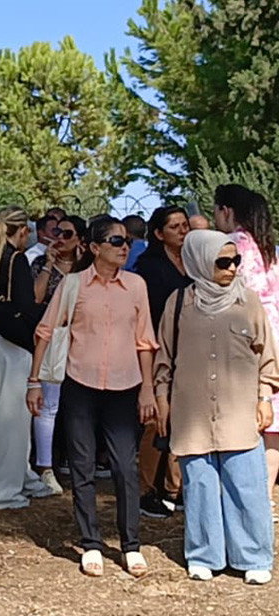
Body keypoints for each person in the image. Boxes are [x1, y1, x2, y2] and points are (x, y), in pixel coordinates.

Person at [29, 216, 158, 578]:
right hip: (80, 385)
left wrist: (147, 387)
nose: (124, 247)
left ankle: (131, 544)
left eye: (127, 241)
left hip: (125, 385)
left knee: (124, 467)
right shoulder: (72, 285)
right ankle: (90, 543)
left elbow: (145, 340)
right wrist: (34, 381)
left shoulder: (136, 286)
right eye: (116, 241)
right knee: (82, 467)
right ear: (95, 247)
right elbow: (45, 331)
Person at [154, 229, 276, 584]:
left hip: (239, 409)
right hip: (192, 412)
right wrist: (161, 399)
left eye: (235, 260)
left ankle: (252, 555)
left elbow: (267, 355)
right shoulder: (178, 304)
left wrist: (265, 397)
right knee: (200, 484)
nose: (232, 268)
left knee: (246, 483)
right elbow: (164, 358)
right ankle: (205, 553)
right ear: (200, 263)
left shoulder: (248, 301)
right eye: (223, 262)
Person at [0, 206, 53, 510]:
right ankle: (3, 491)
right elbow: (25, 304)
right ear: (22, 232)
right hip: (11, 341)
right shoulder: (16, 259)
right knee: (12, 418)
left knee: (6, 413)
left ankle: (23, 477)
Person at [215, 185, 279, 518]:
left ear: (226, 210)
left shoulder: (232, 248)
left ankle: (242, 499)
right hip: (275, 339)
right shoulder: (270, 250)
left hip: (244, 339)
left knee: (243, 420)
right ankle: (265, 498)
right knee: (273, 426)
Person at [133, 206, 193, 519]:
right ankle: (145, 490)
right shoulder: (149, 266)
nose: (183, 231)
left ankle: (174, 487)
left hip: (191, 348)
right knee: (156, 419)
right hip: (157, 348)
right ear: (159, 234)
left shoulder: (196, 263)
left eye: (185, 225)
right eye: (175, 226)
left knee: (184, 417)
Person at [27, 214, 86, 495]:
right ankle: (45, 466)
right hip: (53, 340)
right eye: (57, 233)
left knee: (79, 406)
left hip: (84, 342)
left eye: (67, 234)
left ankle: (75, 462)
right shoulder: (40, 264)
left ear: (80, 240)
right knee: (48, 405)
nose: (59, 239)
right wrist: (49, 265)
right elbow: (36, 299)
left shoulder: (88, 269)